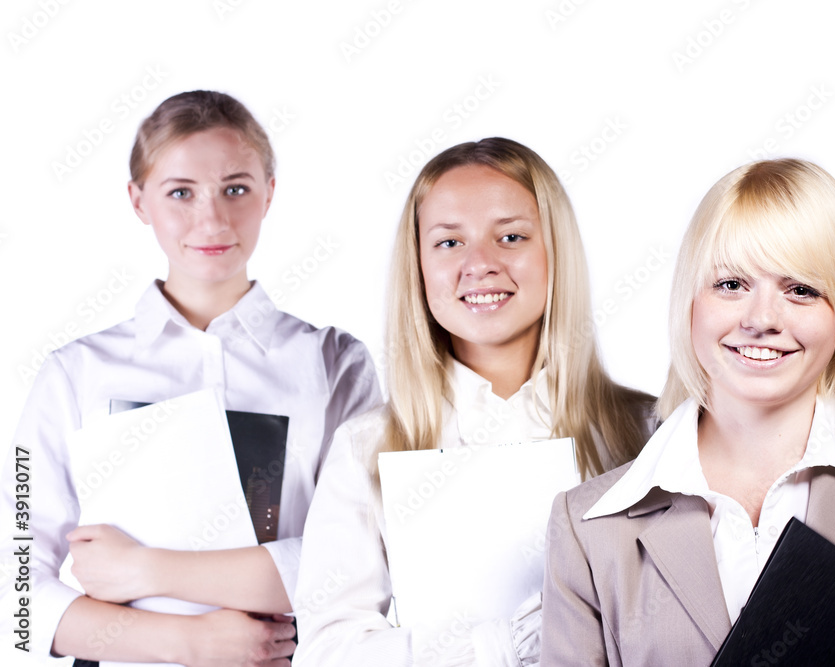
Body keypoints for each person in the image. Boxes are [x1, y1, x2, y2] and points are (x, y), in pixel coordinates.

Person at [540, 158, 835, 665]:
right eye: (731, 284)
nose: (761, 319)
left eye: (801, 290)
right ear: (689, 305)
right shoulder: (587, 529)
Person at [0, 90, 381, 666]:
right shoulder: (75, 374)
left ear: (269, 192)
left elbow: (361, 560)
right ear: (138, 200)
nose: (212, 219)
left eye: (235, 189)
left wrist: (144, 569)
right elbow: (14, 591)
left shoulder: (333, 363)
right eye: (181, 192)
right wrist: (191, 642)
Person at [293, 137, 657, 666]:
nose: (480, 264)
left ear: (556, 251)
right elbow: (327, 652)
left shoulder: (650, 430)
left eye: (511, 237)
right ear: (418, 265)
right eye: (448, 242)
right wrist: (507, 646)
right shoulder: (366, 446)